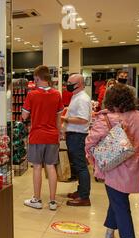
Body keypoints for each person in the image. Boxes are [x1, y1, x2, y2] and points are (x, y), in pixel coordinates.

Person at [85, 84, 139, 238]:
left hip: (117, 168)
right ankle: (109, 233)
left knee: (119, 203)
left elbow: (90, 142)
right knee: (117, 200)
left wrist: (93, 158)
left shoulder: (108, 119)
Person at [22, 65, 64, 211]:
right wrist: (59, 133)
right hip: (52, 135)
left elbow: (24, 115)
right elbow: (59, 118)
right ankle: (52, 201)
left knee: (37, 167)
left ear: (37, 78)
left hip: (37, 135)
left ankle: (37, 199)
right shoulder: (57, 94)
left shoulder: (32, 95)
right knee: (51, 167)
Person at [62, 74, 92, 206]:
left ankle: (84, 197)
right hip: (73, 135)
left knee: (81, 166)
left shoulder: (83, 99)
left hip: (78, 136)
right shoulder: (76, 96)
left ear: (79, 84)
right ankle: (81, 191)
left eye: (70, 82)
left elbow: (83, 119)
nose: (67, 84)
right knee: (77, 164)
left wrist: (65, 119)